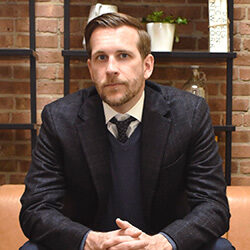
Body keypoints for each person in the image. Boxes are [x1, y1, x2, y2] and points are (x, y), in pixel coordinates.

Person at [19, 13, 234, 250]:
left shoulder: (189, 113)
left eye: (123, 56)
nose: (111, 68)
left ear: (147, 65)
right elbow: (36, 208)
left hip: (162, 243)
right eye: (101, 57)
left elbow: (213, 205)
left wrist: (163, 243)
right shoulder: (60, 118)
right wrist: (91, 240)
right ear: (91, 68)